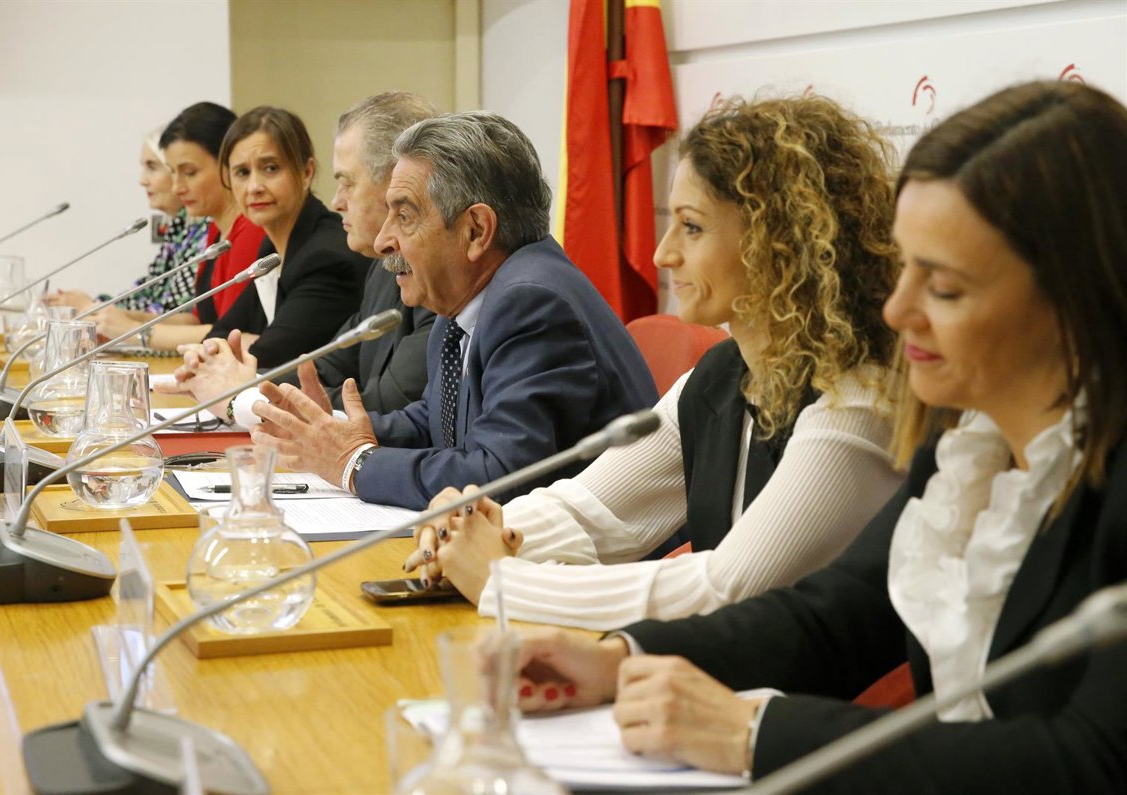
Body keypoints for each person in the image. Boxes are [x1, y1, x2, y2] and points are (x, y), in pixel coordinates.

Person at [497, 81, 1127, 793]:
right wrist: (620, 659)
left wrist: (751, 733)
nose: (898, 309)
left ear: (1076, 295)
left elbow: (1088, 761)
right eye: (906, 268)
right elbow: (835, 615)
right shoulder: (969, 446)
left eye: (944, 288)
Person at [407, 95, 905, 630]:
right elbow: (594, 512)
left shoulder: (857, 402)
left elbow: (724, 587)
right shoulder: (718, 379)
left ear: (779, 240)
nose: (662, 254)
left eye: (691, 227)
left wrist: (502, 581)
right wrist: (471, 532)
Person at [248, 112, 658, 509]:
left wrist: (355, 463)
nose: (383, 241)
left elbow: (500, 478)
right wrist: (336, 431)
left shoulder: (531, 303)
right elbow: (436, 421)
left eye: (404, 216)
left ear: (476, 230)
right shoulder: (465, 296)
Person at [161, 92, 439, 415]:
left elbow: (384, 405)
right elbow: (325, 366)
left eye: (348, 183)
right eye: (241, 173)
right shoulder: (383, 268)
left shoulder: (334, 257)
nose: (337, 201)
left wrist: (249, 394)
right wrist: (235, 376)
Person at [93, 102, 266, 347]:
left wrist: (135, 331)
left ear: (228, 165)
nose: (177, 188)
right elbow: (196, 321)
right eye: (173, 172)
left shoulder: (251, 229)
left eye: (190, 172)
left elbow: (229, 333)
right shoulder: (215, 229)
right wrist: (114, 319)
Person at [45, 128, 209, 314]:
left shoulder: (205, 231)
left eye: (152, 167)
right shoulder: (179, 227)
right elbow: (147, 292)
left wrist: (93, 307)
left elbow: (173, 311)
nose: (142, 180)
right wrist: (95, 305)